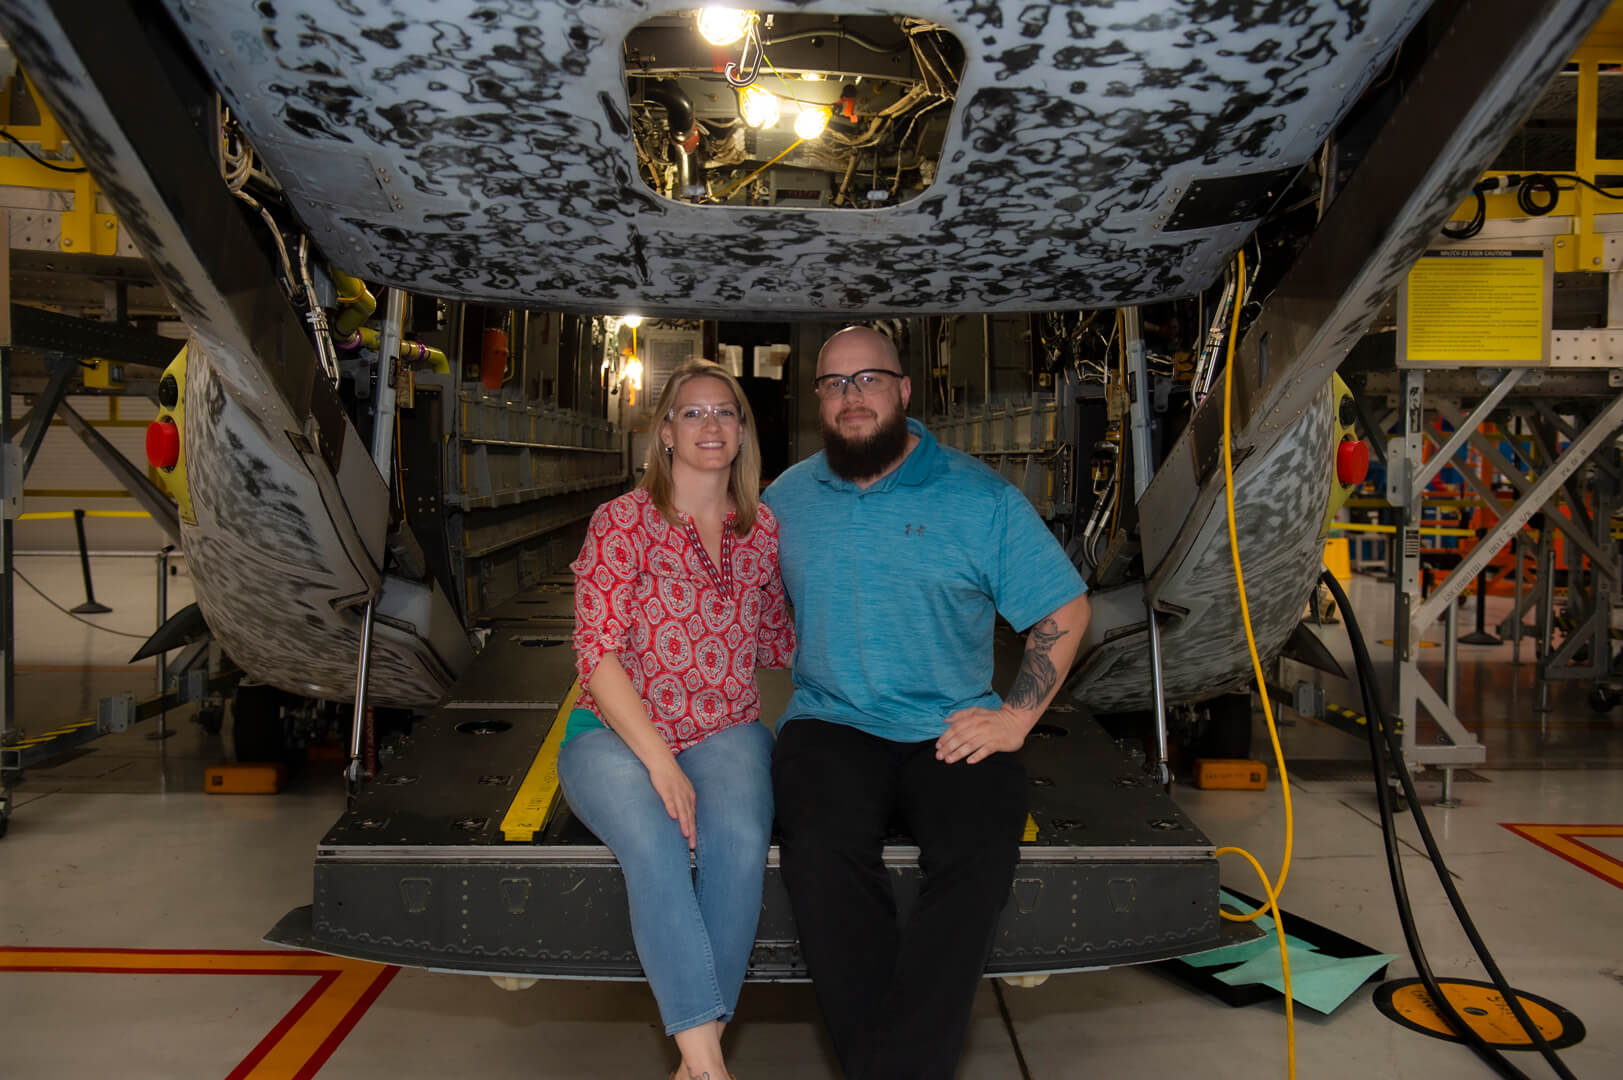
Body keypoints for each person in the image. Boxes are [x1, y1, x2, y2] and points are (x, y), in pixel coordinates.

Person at [762, 326, 1090, 1079]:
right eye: (833, 384)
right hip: (830, 720)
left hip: (948, 723)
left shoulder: (977, 498)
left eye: (868, 379)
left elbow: (1064, 610)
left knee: (977, 853)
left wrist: (1015, 718)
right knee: (819, 856)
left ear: (905, 392)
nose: (850, 398)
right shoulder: (788, 496)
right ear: (817, 399)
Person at [559, 358, 794, 1080]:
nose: (711, 424)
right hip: (615, 736)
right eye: (692, 412)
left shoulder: (762, 532)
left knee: (741, 837)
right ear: (664, 432)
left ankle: (693, 1067)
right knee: (657, 842)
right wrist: (660, 763)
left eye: (725, 412)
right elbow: (595, 654)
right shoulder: (623, 521)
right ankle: (712, 1071)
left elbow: (775, 641)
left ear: (742, 431)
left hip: (725, 728)